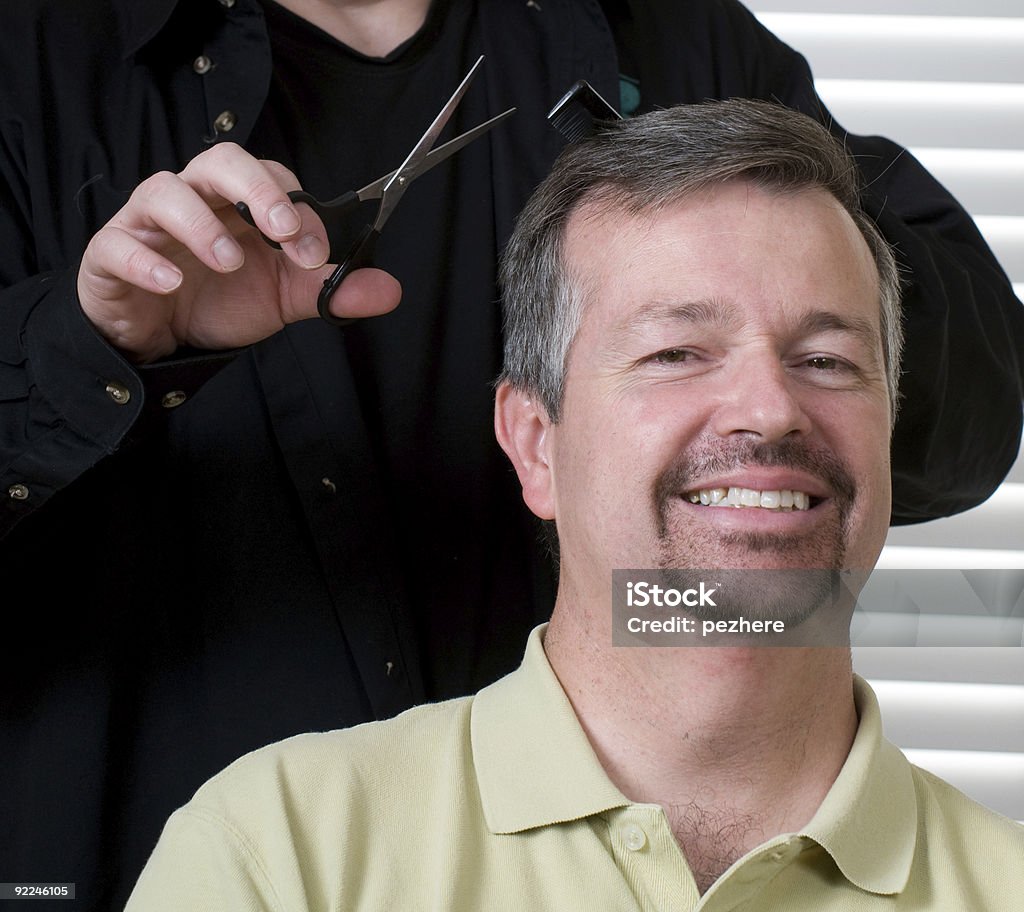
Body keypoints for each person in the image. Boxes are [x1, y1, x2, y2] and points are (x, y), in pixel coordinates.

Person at [2, 1, 1022, 909]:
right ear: (528, 442)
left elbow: (958, 423)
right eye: (676, 351)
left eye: (817, 358)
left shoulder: (677, 39)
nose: (763, 398)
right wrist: (86, 348)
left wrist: (758, 297)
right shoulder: (34, 61)